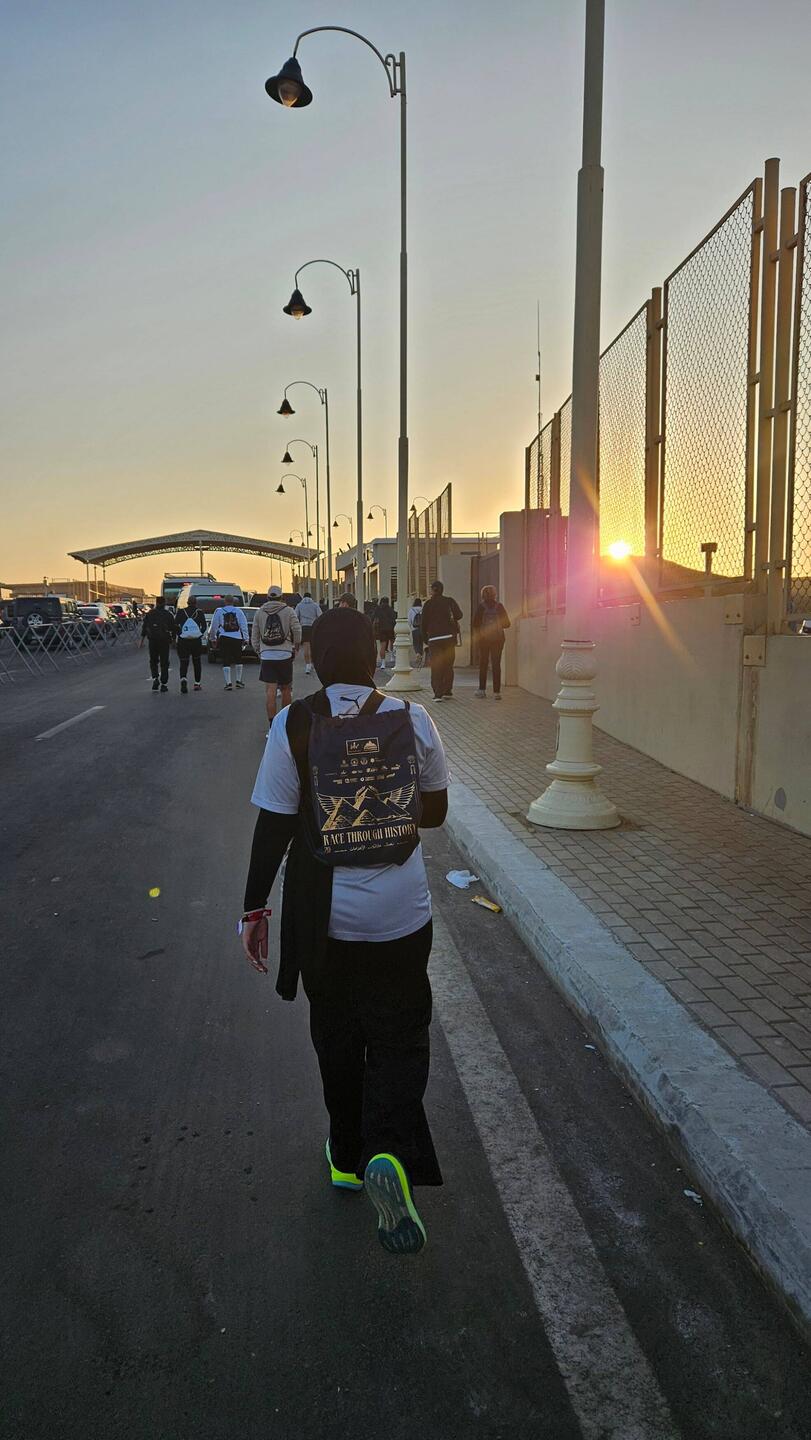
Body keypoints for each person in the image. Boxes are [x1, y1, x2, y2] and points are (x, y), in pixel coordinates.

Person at [240, 608, 449, 1256]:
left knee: (336, 1034)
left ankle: (347, 1155)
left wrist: (254, 912)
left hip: (324, 917)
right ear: (373, 654)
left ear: (314, 657)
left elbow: (274, 829)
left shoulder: (292, 724)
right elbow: (436, 813)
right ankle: (389, 1146)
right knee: (398, 1033)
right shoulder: (411, 718)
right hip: (399, 911)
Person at [252, 584, 301, 725]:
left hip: (267, 656)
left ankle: (272, 725)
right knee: (286, 689)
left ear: (267, 597)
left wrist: (259, 650)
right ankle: (285, 723)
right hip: (284, 654)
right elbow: (297, 630)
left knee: (270, 691)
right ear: (281, 597)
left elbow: (254, 635)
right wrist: (295, 646)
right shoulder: (288, 611)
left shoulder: (260, 612)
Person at [420, 580, 462, 702]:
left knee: (437, 666)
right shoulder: (449, 601)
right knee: (448, 665)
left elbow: (423, 623)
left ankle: (438, 694)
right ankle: (447, 690)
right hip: (449, 638)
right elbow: (459, 615)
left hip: (434, 639)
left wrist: (425, 639)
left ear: (433, 590)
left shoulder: (428, 604)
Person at [472, 585, 511, 700]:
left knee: (483, 664)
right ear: (495, 594)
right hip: (498, 639)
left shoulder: (481, 607)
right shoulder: (499, 607)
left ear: (482, 595)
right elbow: (507, 624)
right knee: (496, 664)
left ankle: (482, 690)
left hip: (484, 639)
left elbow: (475, 624)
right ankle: (497, 692)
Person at [138, 595, 177, 692]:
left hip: (152, 640)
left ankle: (155, 678)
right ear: (164, 603)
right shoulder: (168, 614)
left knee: (153, 661)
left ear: (156, 603)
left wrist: (141, 641)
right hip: (164, 641)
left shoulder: (150, 613)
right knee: (164, 662)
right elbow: (173, 627)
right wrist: (173, 639)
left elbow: (145, 627)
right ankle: (164, 683)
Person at [210, 594, 248, 691]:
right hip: (237, 637)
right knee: (238, 659)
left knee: (226, 660)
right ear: (233, 601)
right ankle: (239, 681)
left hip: (224, 637)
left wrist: (213, 638)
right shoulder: (239, 611)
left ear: (225, 601)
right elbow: (244, 625)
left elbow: (214, 626)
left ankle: (228, 683)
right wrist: (246, 638)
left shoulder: (219, 611)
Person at [175, 596, 208, 693]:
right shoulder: (199, 612)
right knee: (197, 662)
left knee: (184, 661)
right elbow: (204, 626)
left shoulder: (181, 612)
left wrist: (180, 634)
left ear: (187, 602)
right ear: (196, 603)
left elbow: (175, 625)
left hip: (183, 641)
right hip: (196, 641)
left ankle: (183, 679)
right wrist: (199, 634)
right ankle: (197, 683)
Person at [295, 591, 320, 675]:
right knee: (313, 646)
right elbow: (320, 615)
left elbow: (295, 616)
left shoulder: (299, 605)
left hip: (304, 627)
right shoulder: (315, 605)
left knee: (306, 646)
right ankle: (313, 663)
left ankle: (307, 666)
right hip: (313, 627)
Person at [373, 595, 397, 669]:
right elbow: (394, 618)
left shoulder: (378, 609)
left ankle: (383, 663)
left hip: (382, 629)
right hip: (390, 628)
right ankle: (392, 656)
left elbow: (373, 617)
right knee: (392, 642)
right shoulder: (391, 609)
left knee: (383, 646)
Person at [408, 596, 424, 666]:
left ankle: (417, 653)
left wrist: (409, 628)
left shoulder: (411, 610)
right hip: (423, 629)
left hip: (415, 629)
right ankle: (420, 655)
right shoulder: (423, 609)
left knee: (416, 643)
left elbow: (409, 621)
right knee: (421, 643)